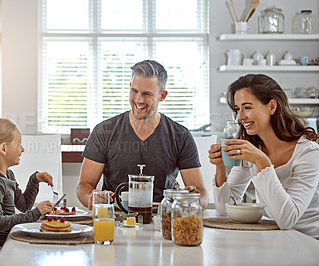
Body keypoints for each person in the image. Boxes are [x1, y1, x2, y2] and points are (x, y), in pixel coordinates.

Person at [77, 59, 208, 210]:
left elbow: (201, 193)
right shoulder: (103, 131)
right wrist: (91, 197)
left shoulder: (180, 136)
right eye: (134, 91)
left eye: (146, 94)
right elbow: (84, 186)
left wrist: (193, 200)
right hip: (115, 219)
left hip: (161, 219)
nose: (138, 100)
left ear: (162, 96)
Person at [209, 74, 319, 239]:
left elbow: (287, 219)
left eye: (247, 107)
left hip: (309, 242)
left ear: (272, 106)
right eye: (237, 109)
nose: (240, 117)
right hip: (276, 238)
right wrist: (220, 168)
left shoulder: (308, 152)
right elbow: (224, 209)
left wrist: (261, 161)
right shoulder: (253, 147)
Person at [0, 118, 54, 246]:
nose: (22, 149)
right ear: (3, 148)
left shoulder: (8, 175)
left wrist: (33, 181)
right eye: (19, 143)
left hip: (9, 241)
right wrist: (36, 213)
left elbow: (24, 206)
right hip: (0, 248)